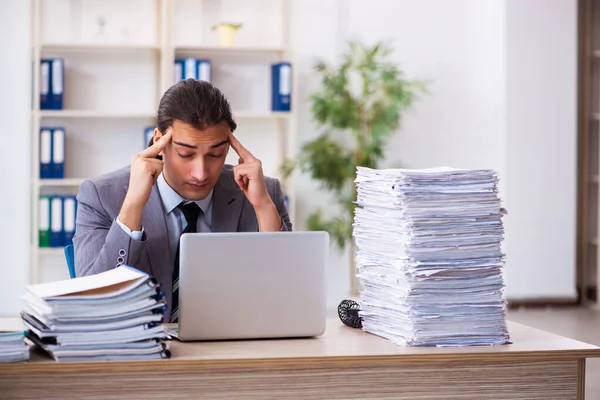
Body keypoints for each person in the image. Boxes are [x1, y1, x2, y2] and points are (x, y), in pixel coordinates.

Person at [73, 79, 292, 322]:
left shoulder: (262, 191)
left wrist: (263, 207)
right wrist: (133, 205)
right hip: (144, 354)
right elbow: (91, 301)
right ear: (159, 142)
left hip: (235, 351)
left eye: (215, 154)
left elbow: (289, 294)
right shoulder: (101, 196)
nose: (201, 173)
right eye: (186, 154)